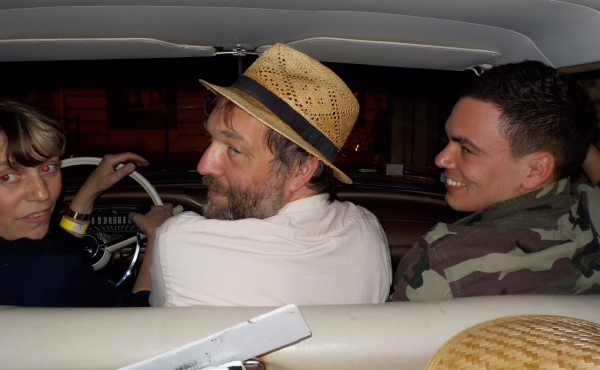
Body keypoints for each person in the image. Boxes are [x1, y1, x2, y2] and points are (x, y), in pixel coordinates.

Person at [132, 43, 392, 306]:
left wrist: (155, 235)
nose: (204, 165)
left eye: (234, 149)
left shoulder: (181, 243)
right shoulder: (368, 232)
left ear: (300, 168)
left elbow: (143, 318)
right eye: (211, 140)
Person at [390, 60, 600, 301]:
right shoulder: (593, 210)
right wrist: (571, 137)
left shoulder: (444, 263)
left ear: (535, 170)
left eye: (467, 149)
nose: (441, 159)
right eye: (448, 140)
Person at [0, 98, 152, 307]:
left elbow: (56, 250)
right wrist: (157, 235)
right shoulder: (41, 270)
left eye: (47, 168)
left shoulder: (25, 261)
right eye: (7, 177)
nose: (42, 194)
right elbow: (142, 312)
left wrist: (89, 192)